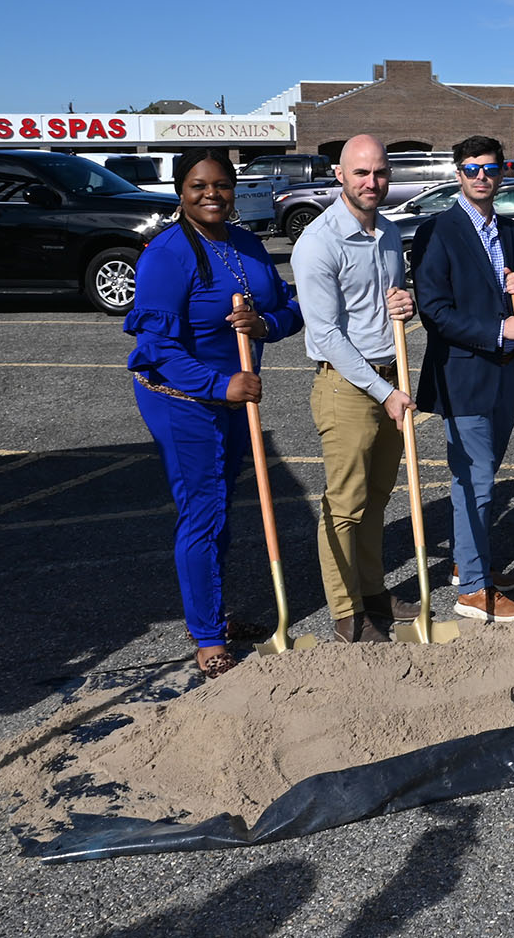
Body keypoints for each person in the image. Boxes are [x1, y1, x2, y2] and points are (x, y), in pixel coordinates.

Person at [126, 147, 302, 678]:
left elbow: (290, 306)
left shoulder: (246, 244)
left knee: (221, 505)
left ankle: (214, 614)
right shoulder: (167, 254)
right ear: (181, 190)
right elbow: (156, 346)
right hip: (181, 399)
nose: (212, 194)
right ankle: (206, 636)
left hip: (233, 394)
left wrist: (265, 325)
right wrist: (220, 385)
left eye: (222, 185)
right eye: (200, 185)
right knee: (203, 512)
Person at [291, 134, 421, 643]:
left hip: (391, 378)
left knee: (377, 497)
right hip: (348, 387)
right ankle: (347, 613)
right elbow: (324, 334)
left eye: (380, 173)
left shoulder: (388, 233)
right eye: (362, 173)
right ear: (340, 176)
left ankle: (372, 591)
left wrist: (405, 307)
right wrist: (382, 392)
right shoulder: (318, 242)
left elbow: (386, 305)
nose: (372, 182)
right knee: (344, 506)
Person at [412, 136, 514, 623]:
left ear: (501, 171)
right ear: (458, 173)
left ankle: (470, 562)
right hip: (462, 376)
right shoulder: (438, 230)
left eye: (490, 167)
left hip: (505, 375)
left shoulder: (512, 232)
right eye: (471, 168)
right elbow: (434, 311)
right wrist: (496, 329)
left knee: (480, 479)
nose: (481, 176)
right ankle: (474, 592)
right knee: (476, 482)